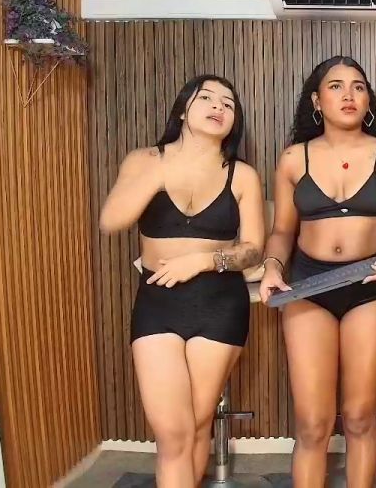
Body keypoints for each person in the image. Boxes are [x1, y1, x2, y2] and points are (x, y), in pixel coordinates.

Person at [258, 56, 376, 487]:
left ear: (368, 100)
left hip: (369, 284)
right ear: (317, 101)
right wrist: (272, 268)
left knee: (359, 415)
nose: (348, 95)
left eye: (358, 87)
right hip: (307, 286)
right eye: (336, 86)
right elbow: (282, 231)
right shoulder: (293, 159)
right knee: (313, 422)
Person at [99, 75, 264, 487]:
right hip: (159, 303)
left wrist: (204, 261)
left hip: (220, 304)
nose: (218, 106)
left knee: (197, 423)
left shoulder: (242, 175)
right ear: (183, 110)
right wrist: (160, 172)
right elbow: (111, 221)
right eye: (206, 97)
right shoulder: (144, 160)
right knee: (173, 434)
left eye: (228, 103)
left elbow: (253, 251)